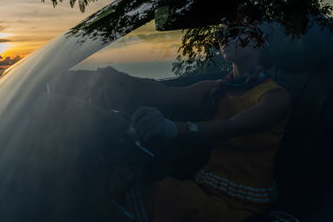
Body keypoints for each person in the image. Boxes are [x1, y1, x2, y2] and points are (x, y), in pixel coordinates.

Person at [108, 22, 292, 222]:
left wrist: (174, 128)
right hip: (205, 188)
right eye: (221, 33)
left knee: (153, 194)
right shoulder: (217, 89)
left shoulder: (275, 97)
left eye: (235, 32)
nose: (225, 37)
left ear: (261, 40)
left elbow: (232, 127)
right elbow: (167, 94)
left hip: (243, 206)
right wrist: (120, 81)